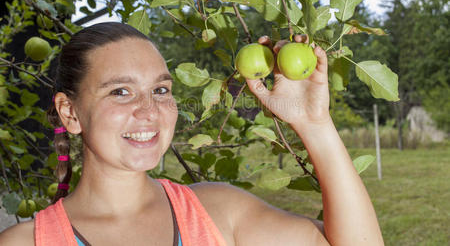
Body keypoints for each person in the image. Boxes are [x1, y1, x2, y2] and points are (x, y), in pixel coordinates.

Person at [0, 22, 384, 245]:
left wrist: (313, 124)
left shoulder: (218, 212)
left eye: (161, 90)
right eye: (120, 91)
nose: (149, 111)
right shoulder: (24, 242)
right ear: (70, 112)